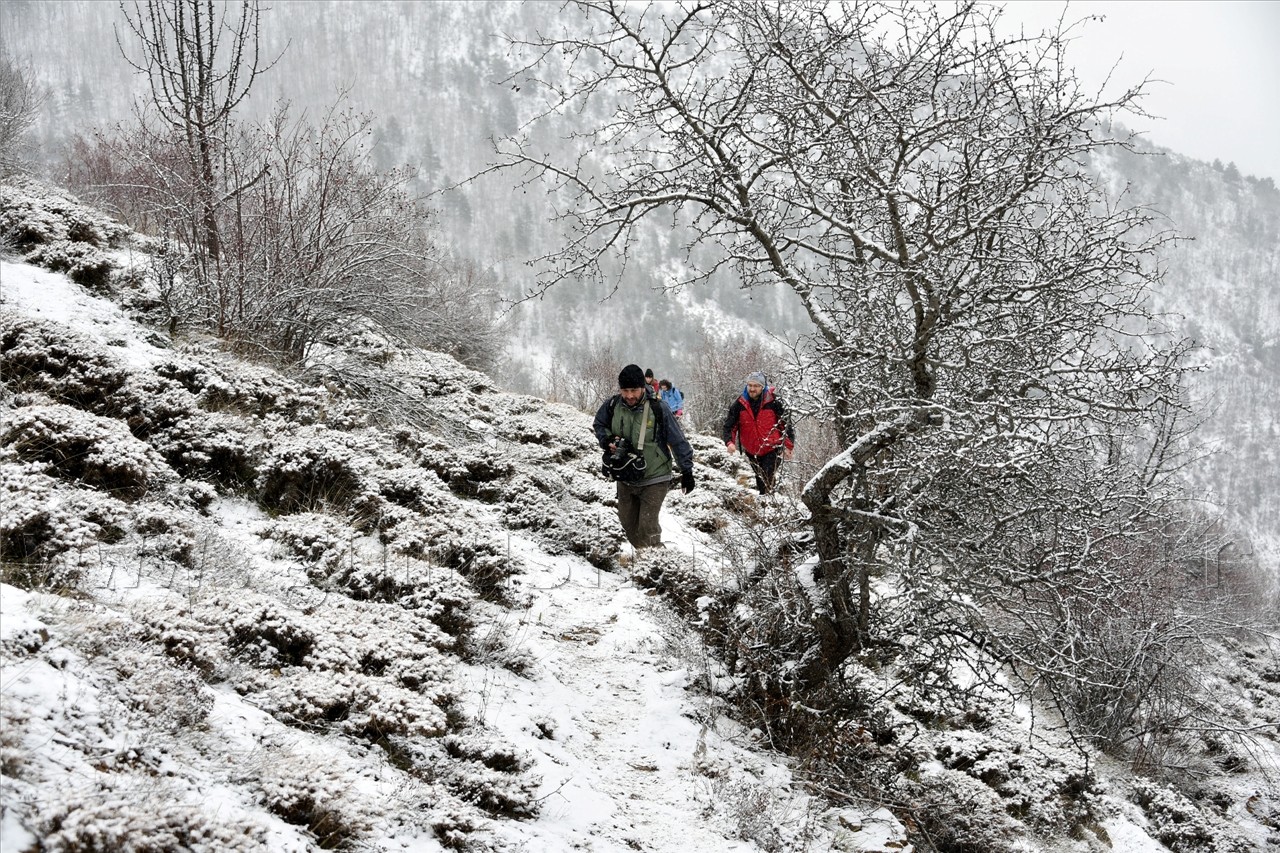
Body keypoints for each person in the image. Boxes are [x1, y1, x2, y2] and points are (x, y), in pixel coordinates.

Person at [594, 363, 696, 550]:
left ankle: (656, 563)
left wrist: (687, 470)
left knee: (647, 528)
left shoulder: (658, 408)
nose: (629, 395)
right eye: (625, 391)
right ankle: (646, 557)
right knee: (627, 525)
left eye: (634, 390)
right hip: (625, 475)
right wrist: (606, 439)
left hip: (655, 475)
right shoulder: (612, 405)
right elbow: (599, 424)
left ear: (643, 387)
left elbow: (677, 440)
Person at [723, 371, 794, 495]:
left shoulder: (774, 401)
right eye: (750, 385)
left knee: (766, 477)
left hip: (772, 448)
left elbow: (786, 425)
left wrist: (788, 446)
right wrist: (730, 442)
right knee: (760, 478)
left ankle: (768, 500)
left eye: (756, 386)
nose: (752, 389)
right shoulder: (740, 404)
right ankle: (769, 500)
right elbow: (729, 426)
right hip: (752, 451)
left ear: (763, 387)